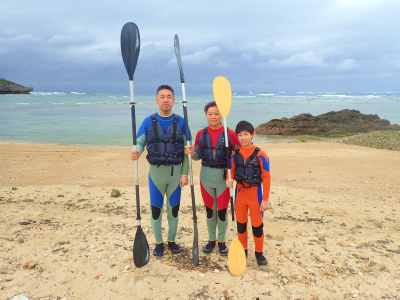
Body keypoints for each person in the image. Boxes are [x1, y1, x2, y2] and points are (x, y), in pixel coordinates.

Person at [130, 85, 189, 257]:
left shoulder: (182, 122)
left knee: (174, 209)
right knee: (156, 210)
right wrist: (137, 152)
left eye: (169, 96)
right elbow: (140, 143)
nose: (165, 99)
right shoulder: (148, 122)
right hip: (156, 175)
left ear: (173, 100)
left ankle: (171, 240)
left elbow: (187, 150)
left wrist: (185, 174)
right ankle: (158, 242)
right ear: (157, 100)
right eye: (162, 96)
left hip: (175, 174)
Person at [185, 101, 241, 255]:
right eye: (210, 114)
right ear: (206, 116)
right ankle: (211, 240)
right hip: (206, 178)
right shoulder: (200, 135)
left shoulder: (230, 134)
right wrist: (191, 153)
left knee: (222, 211)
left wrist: (235, 176)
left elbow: (242, 153)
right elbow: (197, 156)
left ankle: (222, 241)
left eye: (217, 113)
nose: (214, 117)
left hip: (224, 179)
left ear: (222, 115)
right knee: (210, 211)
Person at [226, 120, 271, 266]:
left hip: (256, 197)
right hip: (240, 196)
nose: (243, 138)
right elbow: (230, 174)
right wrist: (229, 180)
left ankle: (259, 253)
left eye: (246, 134)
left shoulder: (261, 155)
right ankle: (243, 250)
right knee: (241, 226)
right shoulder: (234, 155)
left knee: (257, 226)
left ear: (253, 135)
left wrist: (265, 199)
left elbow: (266, 177)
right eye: (240, 135)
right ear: (237, 137)